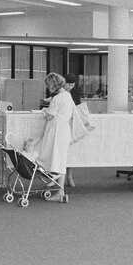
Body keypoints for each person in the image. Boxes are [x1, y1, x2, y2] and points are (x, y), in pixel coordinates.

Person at [38, 72, 73, 202]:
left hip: (56, 129)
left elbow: (49, 116)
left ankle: (57, 186)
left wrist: (44, 112)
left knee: (52, 156)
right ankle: (59, 188)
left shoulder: (57, 99)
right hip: (64, 129)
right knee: (61, 158)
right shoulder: (68, 96)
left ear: (52, 85)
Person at [63, 73, 87, 189]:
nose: (70, 87)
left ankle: (70, 177)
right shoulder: (58, 91)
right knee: (61, 153)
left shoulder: (74, 92)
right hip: (62, 124)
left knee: (70, 153)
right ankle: (58, 178)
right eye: (68, 84)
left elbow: (78, 107)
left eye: (72, 85)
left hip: (71, 124)